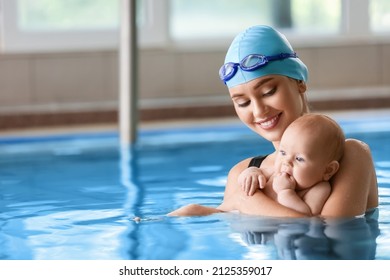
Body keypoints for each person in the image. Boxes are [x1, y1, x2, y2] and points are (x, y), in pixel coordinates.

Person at [168, 25, 378, 218]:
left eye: (269, 91)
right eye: (243, 103)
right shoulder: (242, 172)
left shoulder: (350, 154)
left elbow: (332, 232)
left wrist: (246, 201)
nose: (259, 111)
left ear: (300, 83)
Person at [238, 113, 345, 216]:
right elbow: (246, 180)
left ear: (328, 170)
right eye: (283, 153)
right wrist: (251, 172)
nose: (286, 162)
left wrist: (285, 192)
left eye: (299, 159)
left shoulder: (319, 189)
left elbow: (306, 215)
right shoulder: (275, 173)